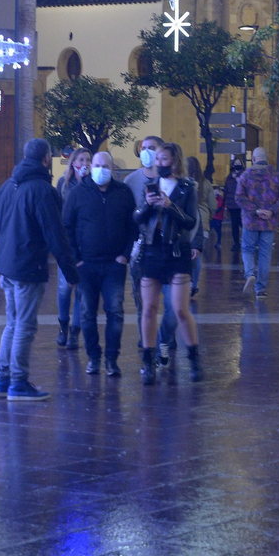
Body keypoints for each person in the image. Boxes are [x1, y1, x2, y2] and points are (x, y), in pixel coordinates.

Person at [0, 138, 79, 399]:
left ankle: (2, 380)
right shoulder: (42, 190)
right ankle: (18, 383)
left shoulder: (8, 186)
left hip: (7, 266)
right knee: (25, 326)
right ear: (45, 159)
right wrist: (70, 271)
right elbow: (55, 234)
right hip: (29, 266)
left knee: (12, 323)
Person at [132, 141, 205, 384]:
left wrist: (170, 206)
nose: (160, 163)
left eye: (165, 159)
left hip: (177, 252)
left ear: (175, 162)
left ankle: (194, 358)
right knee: (149, 308)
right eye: (158, 159)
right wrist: (148, 205)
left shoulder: (186, 187)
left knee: (180, 309)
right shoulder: (149, 185)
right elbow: (138, 218)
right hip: (152, 251)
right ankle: (148, 362)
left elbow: (190, 222)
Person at [62, 150, 136, 377]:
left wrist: (125, 255)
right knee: (86, 313)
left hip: (114, 264)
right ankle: (94, 357)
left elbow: (132, 226)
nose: (101, 169)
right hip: (87, 265)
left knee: (115, 311)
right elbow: (67, 227)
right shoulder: (78, 193)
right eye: (97, 165)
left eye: (105, 165)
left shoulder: (123, 192)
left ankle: (112, 359)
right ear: (90, 167)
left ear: (113, 169)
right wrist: (77, 259)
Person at [125, 137, 177, 366]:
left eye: (151, 149)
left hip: (169, 248)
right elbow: (128, 217)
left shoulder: (172, 181)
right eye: (143, 149)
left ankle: (164, 338)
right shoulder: (130, 180)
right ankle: (148, 343)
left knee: (172, 304)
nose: (146, 152)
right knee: (143, 303)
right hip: (141, 248)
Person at [234, 146, 279, 298]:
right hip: (269, 222)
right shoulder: (277, 177)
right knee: (265, 254)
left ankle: (250, 273)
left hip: (250, 221)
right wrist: (271, 210)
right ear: (267, 159)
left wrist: (254, 210)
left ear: (254, 159)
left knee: (247, 249)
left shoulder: (246, 176)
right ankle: (261, 289)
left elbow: (238, 197)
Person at [54, 149, 92, 349]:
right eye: (81, 159)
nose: (85, 163)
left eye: (88, 160)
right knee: (64, 289)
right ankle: (63, 324)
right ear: (73, 162)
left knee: (81, 291)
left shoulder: (93, 184)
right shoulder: (64, 184)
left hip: (86, 244)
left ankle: (75, 331)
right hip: (67, 244)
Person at [185, 156, 213, 296]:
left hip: (188, 223)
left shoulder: (183, 183)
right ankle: (194, 284)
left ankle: (187, 283)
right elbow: (213, 204)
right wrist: (209, 215)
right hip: (204, 224)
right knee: (197, 256)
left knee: (186, 255)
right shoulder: (206, 183)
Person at [223, 156, 245, 252]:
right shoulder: (229, 177)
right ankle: (236, 243)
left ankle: (245, 242)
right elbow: (226, 190)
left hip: (241, 205)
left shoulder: (244, 176)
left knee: (242, 224)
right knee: (234, 225)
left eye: (239, 163)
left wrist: (238, 180)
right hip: (232, 205)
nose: (237, 165)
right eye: (235, 163)